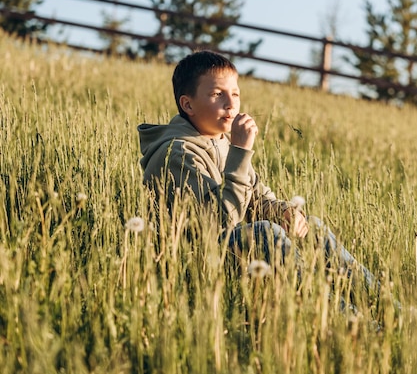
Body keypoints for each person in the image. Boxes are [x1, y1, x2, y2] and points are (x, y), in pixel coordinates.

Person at [137, 50, 377, 303]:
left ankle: (381, 305)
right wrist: (241, 152)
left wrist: (285, 212)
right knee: (264, 233)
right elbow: (215, 224)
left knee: (311, 228)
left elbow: (257, 199)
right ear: (188, 104)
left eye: (236, 94)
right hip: (194, 262)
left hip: (228, 252)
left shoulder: (223, 142)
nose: (231, 103)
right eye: (217, 94)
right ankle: (348, 321)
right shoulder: (177, 153)